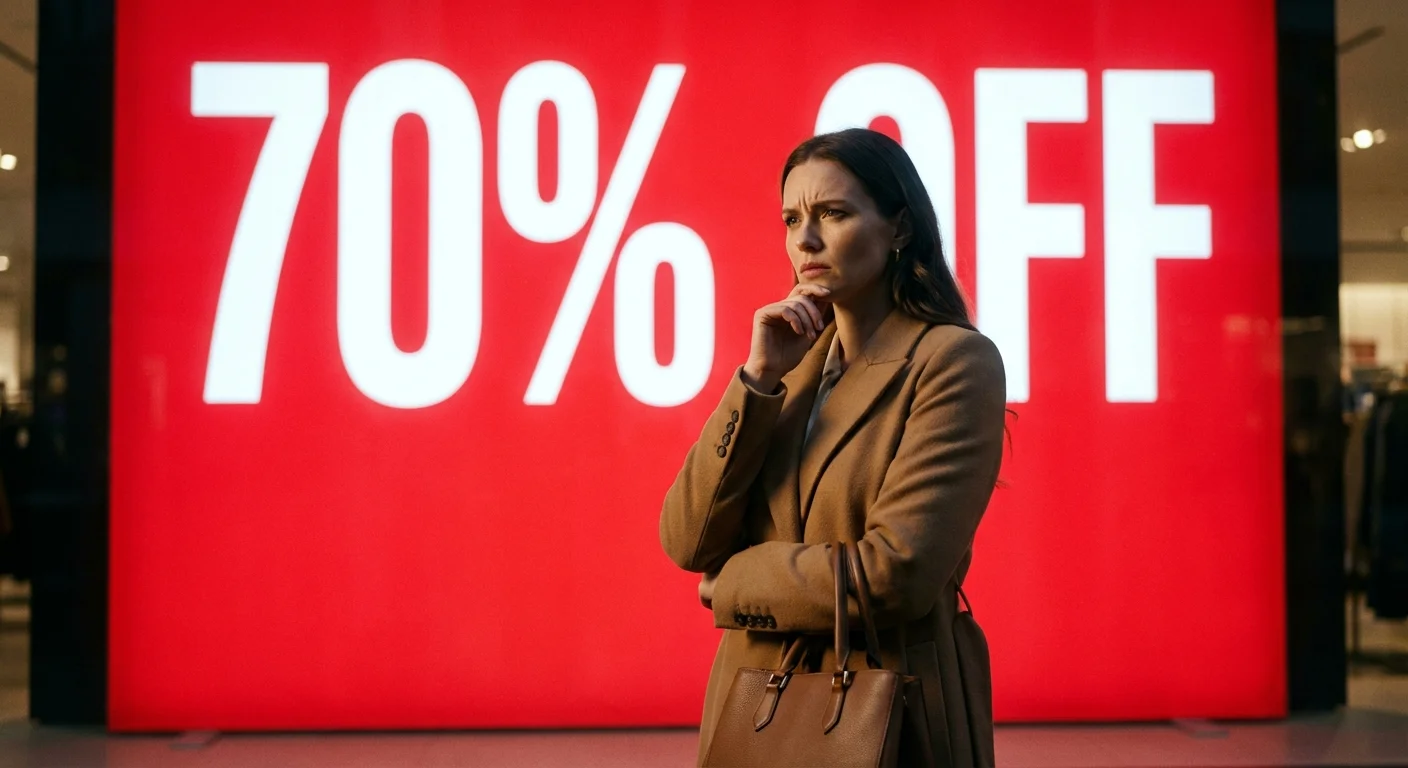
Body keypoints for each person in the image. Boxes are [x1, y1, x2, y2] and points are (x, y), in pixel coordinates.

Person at [660, 128, 1007, 767]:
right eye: (792, 218)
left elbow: (895, 573)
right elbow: (688, 539)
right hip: (757, 706)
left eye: (834, 214)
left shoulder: (953, 362)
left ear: (899, 227)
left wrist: (734, 582)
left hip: (889, 711)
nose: (805, 240)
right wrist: (757, 382)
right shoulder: (784, 368)